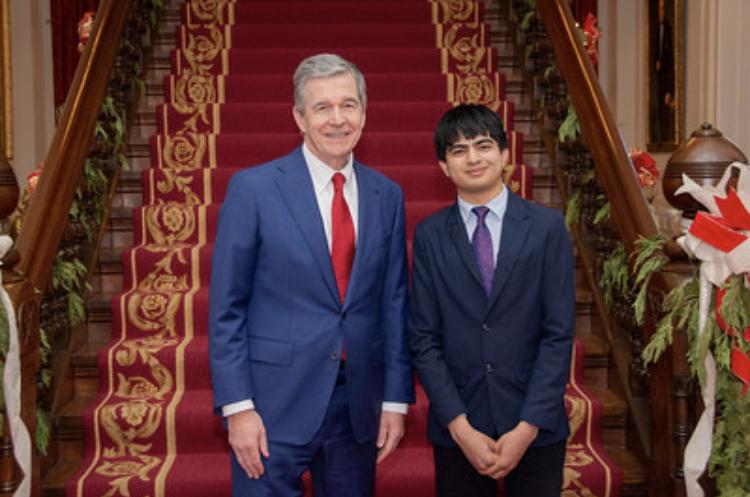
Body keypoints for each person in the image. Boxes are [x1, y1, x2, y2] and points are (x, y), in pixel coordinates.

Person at [209, 53, 414, 497]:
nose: (337, 119)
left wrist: (396, 399)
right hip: (271, 406)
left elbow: (394, 303)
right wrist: (238, 407)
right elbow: (227, 307)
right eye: (322, 108)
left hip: (356, 405)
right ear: (299, 118)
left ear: (364, 113)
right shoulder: (254, 189)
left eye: (348, 105)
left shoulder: (387, 195)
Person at [408, 104, 575, 497]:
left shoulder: (547, 228)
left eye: (483, 146)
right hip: (460, 425)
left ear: (504, 154)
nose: (473, 158)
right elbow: (423, 338)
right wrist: (459, 426)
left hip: (535, 422)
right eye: (459, 150)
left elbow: (558, 333)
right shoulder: (430, 235)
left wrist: (527, 427)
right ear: (444, 166)